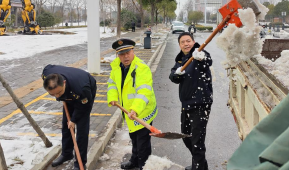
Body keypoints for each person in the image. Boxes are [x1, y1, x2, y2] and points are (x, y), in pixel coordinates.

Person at [107, 38, 158, 170]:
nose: (125, 57)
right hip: (128, 111)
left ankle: (144, 166)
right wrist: (112, 97)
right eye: (121, 54)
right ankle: (135, 161)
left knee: (143, 143)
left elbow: (144, 92)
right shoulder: (116, 67)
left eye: (127, 52)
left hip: (143, 111)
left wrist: (135, 109)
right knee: (134, 138)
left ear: (132, 51)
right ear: (117, 55)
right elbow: (112, 83)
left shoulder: (141, 68)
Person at [169, 32, 213, 170]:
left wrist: (201, 58)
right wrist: (176, 74)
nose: (186, 44)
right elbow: (172, 76)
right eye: (183, 42)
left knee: (197, 141)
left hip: (200, 103)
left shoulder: (200, 53)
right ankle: (200, 164)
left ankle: (199, 167)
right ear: (179, 45)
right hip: (186, 104)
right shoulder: (181, 59)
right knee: (186, 136)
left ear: (193, 42)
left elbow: (207, 61)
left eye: (188, 41)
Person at [42, 65, 97, 170]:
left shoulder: (82, 89)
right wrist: (70, 121)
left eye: (58, 93)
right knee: (66, 125)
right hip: (69, 92)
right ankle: (67, 153)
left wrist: (73, 120)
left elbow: (83, 107)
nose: (57, 96)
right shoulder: (47, 74)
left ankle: (80, 162)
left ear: (64, 83)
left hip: (84, 95)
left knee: (81, 130)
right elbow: (48, 67)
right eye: (53, 94)